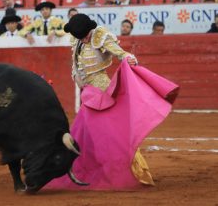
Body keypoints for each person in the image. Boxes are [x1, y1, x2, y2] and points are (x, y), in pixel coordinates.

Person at [46, 13, 179, 191]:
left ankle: (136, 171)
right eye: (81, 37)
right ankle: (95, 170)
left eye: (85, 36)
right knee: (88, 135)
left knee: (114, 134)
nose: (84, 40)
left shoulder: (100, 36)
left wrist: (128, 58)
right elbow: (75, 65)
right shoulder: (77, 40)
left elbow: (120, 53)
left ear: (89, 31)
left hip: (102, 91)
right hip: (89, 93)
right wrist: (77, 78)